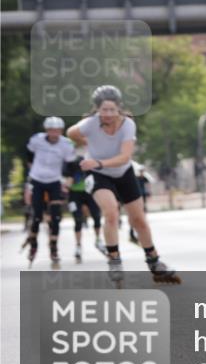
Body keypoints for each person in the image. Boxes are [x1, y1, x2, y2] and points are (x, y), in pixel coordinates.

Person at [67, 86, 180, 284]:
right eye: (104, 110)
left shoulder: (128, 124)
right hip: (98, 175)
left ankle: (154, 262)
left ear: (119, 108)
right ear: (97, 110)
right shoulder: (90, 124)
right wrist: (86, 141)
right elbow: (70, 132)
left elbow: (125, 157)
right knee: (111, 213)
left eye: (112, 110)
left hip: (123, 172)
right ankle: (114, 260)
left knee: (139, 220)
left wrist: (99, 161)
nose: (108, 114)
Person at [23, 117, 76, 268]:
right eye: (51, 130)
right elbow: (29, 154)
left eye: (57, 130)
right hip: (37, 179)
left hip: (54, 181)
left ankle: (54, 247)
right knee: (37, 216)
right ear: (46, 130)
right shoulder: (36, 140)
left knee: (56, 216)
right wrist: (32, 169)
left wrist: (69, 181)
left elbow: (72, 165)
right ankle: (33, 244)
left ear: (61, 131)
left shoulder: (66, 144)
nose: (54, 133)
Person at [65, 155, 106, 261]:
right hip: (75, 194)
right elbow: (67, 183)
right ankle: (78, 246)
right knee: (78, 220)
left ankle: (98, 240)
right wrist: (67, 186)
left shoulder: (91, 169)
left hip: (89, 193)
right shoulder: (72, 169)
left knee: (96, 216)